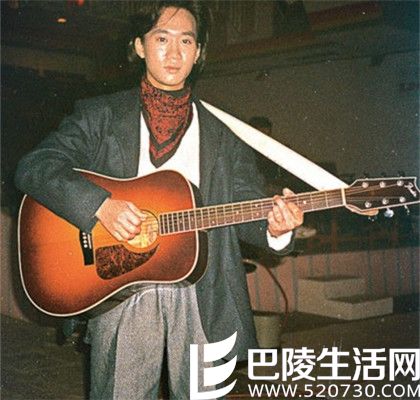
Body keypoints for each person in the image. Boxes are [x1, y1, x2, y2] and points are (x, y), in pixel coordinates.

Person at [15, 1, 304, 398]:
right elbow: (35, 167)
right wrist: (100, 206)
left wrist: (276, 227)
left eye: (186, 41)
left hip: (204, 293)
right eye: (161, 39)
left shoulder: (223, 134)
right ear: (139, 46)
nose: (174, 53)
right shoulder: (102, 115)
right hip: (120, 289)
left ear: (198, 52)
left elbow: (245, 207)